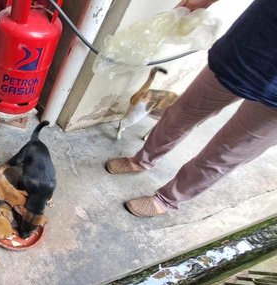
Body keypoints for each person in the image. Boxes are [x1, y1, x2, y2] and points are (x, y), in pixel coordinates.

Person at [105, 0, 277, 217]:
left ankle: (167, 199)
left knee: (226, 153)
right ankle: (143, 160)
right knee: (180, 114)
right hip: (247, 47)